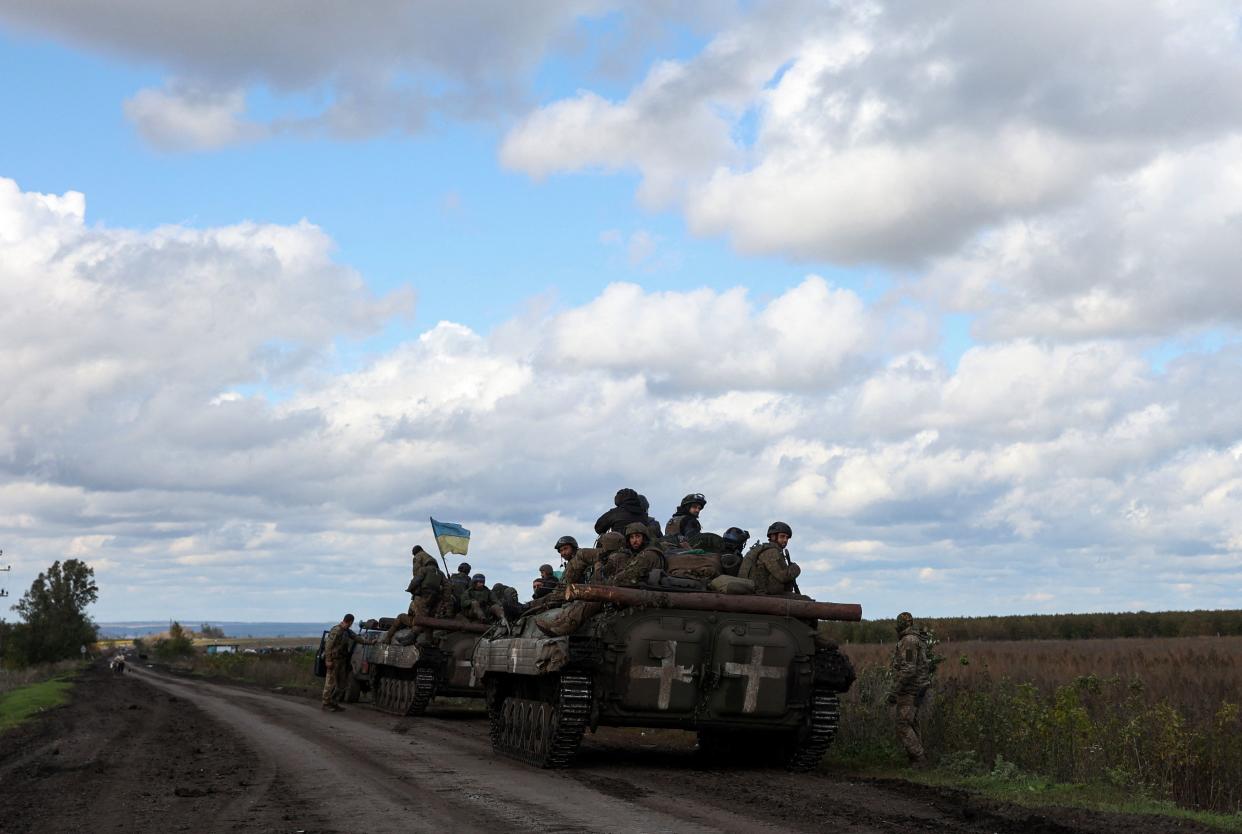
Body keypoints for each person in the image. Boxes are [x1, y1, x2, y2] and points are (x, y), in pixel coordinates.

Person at [887, 612, 932, 766]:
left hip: (911, 689)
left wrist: (894, 691)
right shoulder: (913, 639)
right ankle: (916, 760)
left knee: (903, 724)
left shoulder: (909, 641)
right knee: (912, 723)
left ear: (901, 625)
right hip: (917, 687)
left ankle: (919, 758)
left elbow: (908, 669)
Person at [382, 548, 445, 643]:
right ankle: (429, 641)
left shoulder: (419, 560)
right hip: (433, 604)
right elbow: (446, 585)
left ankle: (388, 638)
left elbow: (416, 577)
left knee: (407, 617)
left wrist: (411, 589)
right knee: (426, 619)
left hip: (419, 615)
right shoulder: (439, 572)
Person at [322, 613, 374, 712]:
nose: (351, 624)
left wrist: (370, 642)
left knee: (342, 684)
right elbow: (328, 645)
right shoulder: (336, 630)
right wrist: (328, 660)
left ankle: (334, 702)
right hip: (334, 660)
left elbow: (357, 638)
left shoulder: (347, 631)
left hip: (342, 661)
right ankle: (326, 703)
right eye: (351, 623)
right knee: (330, 683)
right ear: (350, 622)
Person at [738, 521, 802, 595]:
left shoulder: (775, 551)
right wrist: (796, 569)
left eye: (787, 537)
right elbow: (782, 576)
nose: (785, 540)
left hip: (762, 593)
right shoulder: (771, 552)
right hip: (762, 594)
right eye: (782, 536)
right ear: (773, 537)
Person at [605, 522, 665, 587]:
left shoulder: (648, 554)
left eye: (637, 536)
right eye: (631, 537)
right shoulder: (638, 553)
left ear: (644, 538)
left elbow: (628, 575)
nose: (634, 540)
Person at [594, 488, 660, 538]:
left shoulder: (615, 513)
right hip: (640, 548)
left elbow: (598, 528)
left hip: (618, 548)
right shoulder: (644, 515)